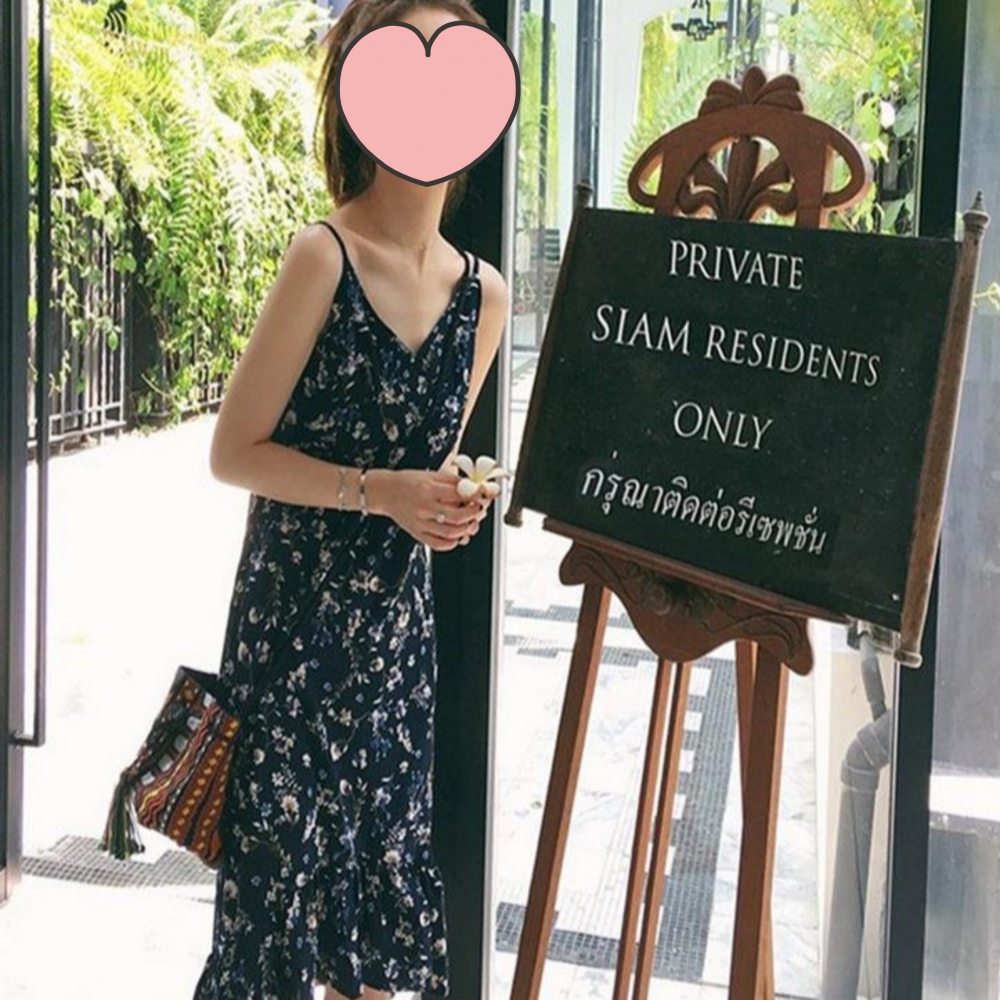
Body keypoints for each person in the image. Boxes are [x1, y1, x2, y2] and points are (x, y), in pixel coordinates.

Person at [190, 1, 509, 998]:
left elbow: (427, 472)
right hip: (292, 635)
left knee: (374, 939)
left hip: (394, 650)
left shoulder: (485, 295)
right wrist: (379, 492)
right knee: (275, 928)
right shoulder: (320, 256)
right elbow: (233, 452)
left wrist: (448, 504)